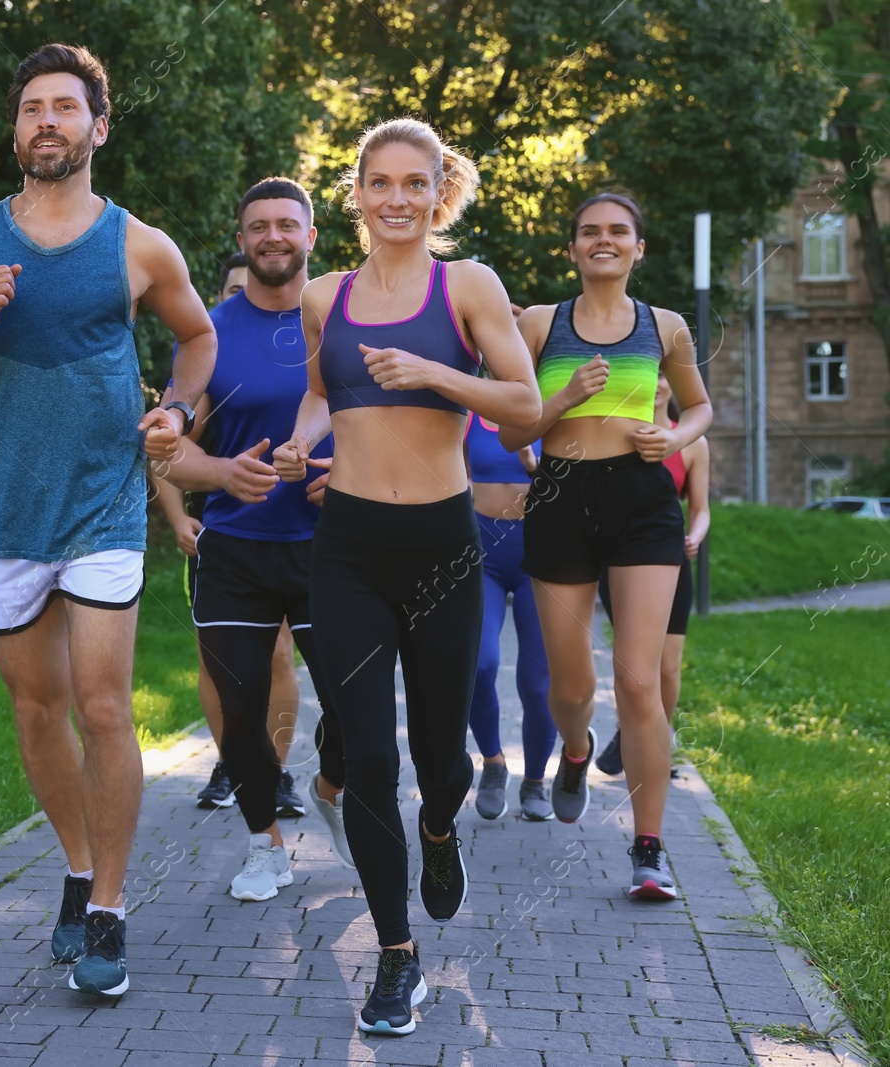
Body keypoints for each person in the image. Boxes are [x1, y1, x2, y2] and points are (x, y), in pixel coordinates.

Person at [0, 43, 217, 997]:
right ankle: (78, 868)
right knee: (36, 710)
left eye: (65, 107)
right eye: (32, 107)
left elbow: (196, 338)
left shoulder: (138, 245)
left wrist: (180, 412)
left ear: (97, 127)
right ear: (16, 128)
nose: (47, 121)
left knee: (104, 703)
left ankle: (111, 911)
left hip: (106, 499)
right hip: (8, 505)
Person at [274, 118, 540, 1035]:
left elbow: (525, 408)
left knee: (441, 759)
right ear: (355, 194)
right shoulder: (322, 295)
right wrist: (296, 444)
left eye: (413, 184)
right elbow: (323, 388)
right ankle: (397, 956)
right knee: (367, 757)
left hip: (440, 544)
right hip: (345, 542)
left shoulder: (467, 286)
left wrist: (436, 371)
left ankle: (440, 831)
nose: (395, 200)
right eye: (378, 183)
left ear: (440, 192)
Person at [500, 191, 712, 902]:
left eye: (618, 231)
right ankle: (577, 748)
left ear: (637, 247)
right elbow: (510, 431)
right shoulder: (538, 324)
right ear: (572, 248)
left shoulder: (667, 326)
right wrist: (563, 400)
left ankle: (649, 849)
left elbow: (701, 407)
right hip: (560, 496)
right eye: (590, 231)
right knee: (572, 687)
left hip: (644, 504)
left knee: (638, 681)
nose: (604, 240)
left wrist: (674, 437)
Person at [157, 177, 352, 902]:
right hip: (234, 548)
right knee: (238, 709)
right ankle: (264, 842)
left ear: (309, 236)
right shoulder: (208, 331)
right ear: (242, 240)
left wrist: (353, 468)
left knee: (354, 704)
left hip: (331, 546)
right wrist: (216, 474)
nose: (273, 236)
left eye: (286, 225)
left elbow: (388, 424)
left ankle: (330, 790)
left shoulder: (342, 320)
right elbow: (167, 445)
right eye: (258, 226)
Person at [153, 250, 305, 816]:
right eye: (236, 288)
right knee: (219, 665)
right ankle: (236, 763)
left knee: (282, 656)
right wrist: (177, 517)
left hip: (306, 532)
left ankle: (279, 771)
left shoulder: (314, 329)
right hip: (226, 533)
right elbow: (166, 448)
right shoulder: (208, 343)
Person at [594, 371, 712, 776]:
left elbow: (701, 508)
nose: (659, 382)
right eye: (651, 373)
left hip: (672, 559)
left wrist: (695, 536)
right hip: (622, 559)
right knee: (634, 663)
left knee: (666, 666)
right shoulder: (620, 435)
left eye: (665, 375)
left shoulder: (693, 443)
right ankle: (633, 732)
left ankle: (652, 740)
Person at [464, 413, 559, 821]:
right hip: (481, 552)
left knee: (538, 684)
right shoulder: (467, 412)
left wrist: (531, 462)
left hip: (538, 552)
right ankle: (493, 762)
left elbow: (569, 487)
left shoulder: (554, 407)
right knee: (479, 665)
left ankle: (536, 780)